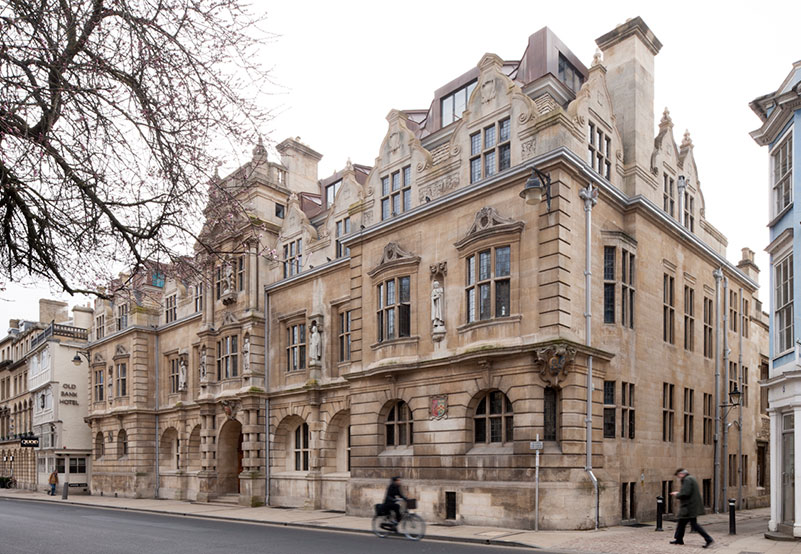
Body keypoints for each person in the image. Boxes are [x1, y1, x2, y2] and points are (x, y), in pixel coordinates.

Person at [670, 468, 713, 548]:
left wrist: (677, 494)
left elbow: (686, 493)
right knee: (681, 522)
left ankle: (708, 539)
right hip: (690, 506)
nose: (679, 477)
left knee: (694, 525)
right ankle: (679, 539)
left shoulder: (687, 480)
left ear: (682, 474)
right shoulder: (691, 478)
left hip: (689, 507)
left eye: (679, 475)